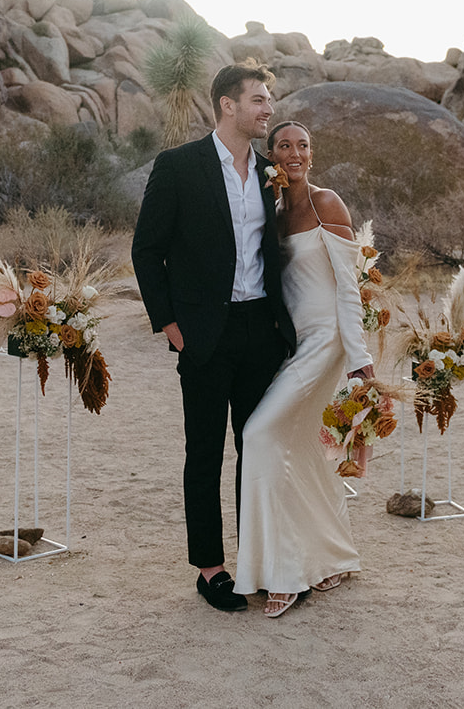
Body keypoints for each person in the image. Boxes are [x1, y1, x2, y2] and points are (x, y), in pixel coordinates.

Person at [131, 64, 297, 613]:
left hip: (261, 331)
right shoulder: (179, 166)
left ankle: (255, 559)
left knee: (259, 450)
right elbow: (146, 251)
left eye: (268, 99)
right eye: (258, 100)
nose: (267, 110)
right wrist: (170, 326)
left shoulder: (273, 172)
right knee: (204, 452)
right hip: (202, 334)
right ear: (227, 105)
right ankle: (211, 569)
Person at [233, 119, 375, 617]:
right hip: (293, 346)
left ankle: (287, 572)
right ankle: (333, 554)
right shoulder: (271, 213)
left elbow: (348, 287)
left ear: (312, 154)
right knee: (298, 446)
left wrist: (360, 360)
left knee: (259, 433)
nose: (295, 152)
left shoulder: (327, 203)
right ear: (272, 155)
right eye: (285, 146)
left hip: (328, 341)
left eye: (303, 145)